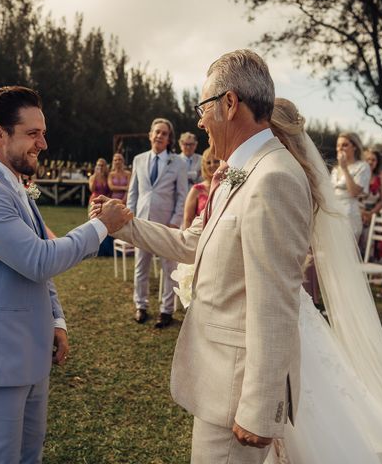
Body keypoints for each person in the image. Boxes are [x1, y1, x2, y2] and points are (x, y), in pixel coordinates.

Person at [95, 50, 311, 462]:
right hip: (217, 382)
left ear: (230, 104)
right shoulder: (236, 173)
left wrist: (260, 409)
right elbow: (193, 243)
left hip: (237, 394)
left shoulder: (274, 178)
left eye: (203, 107)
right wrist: (122, 225)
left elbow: (276, 303)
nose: (198, 120)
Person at [0, 85, 131, 464]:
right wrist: (101, 228)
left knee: (31, 454)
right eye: (33, 133)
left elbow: (37, 274)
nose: (43, 143)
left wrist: (56, 318)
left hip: (30, 349)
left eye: (42, 133)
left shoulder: (13, 185)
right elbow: (39, 259)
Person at [262, 99, 382, 463]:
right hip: (288, 293)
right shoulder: (289, 171)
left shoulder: (289, 176)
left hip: (285, 295)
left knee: (306, 385)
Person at [127, 118, 188, 328]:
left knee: (169, 269)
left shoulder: (177, 162)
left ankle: (166, 310)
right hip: (141, 222)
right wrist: (130, 217)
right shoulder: (139, 160)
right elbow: (133, 192)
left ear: (169, 138)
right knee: (140, 267)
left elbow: (182, 195)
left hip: (166, 225)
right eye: (157, 132)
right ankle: (141, 306)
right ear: (150, 134)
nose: (160, 136)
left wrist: (175, 221)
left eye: (164, 133)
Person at [330, 132, 371, 239]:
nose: (340, 148)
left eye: (345, 145)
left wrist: (344, 168)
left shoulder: (362, 166)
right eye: (338, 145)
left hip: (349, 215)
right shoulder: (335, 169)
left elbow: (354, 192)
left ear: (355, 147)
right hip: (333, 214)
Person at [359, 149, 382, 254]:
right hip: (358, 212)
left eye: (373, 160)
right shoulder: (359, 174)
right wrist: (362, 212)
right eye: (368, 159)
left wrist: (370, 213)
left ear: (378, 162)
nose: (370, 162)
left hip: (374, 213)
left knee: (372, 249)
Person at [182, 147, 220, 229]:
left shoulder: (229, 185)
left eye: (216, 161)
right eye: (208, 163)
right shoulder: (196, 190)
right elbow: (187, 220)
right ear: (204, 166)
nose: (212, 165)